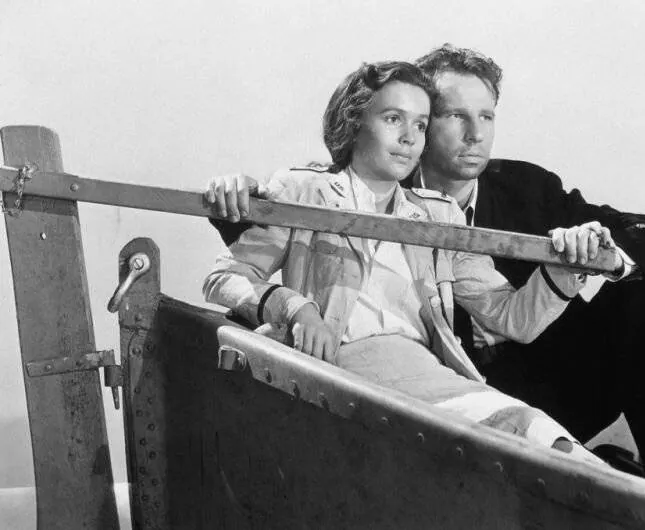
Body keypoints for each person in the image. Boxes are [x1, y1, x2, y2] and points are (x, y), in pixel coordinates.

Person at [203, 60, 619, 464]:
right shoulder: (304, 190)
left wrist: (566, 267)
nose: (409, 138)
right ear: (353, 122)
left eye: (420, 125)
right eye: (393, 119)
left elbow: (513, 319)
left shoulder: (438, 215)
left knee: (537, 433)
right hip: (337, 372)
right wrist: (297, 309)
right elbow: (225, 276)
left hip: (427, 376)